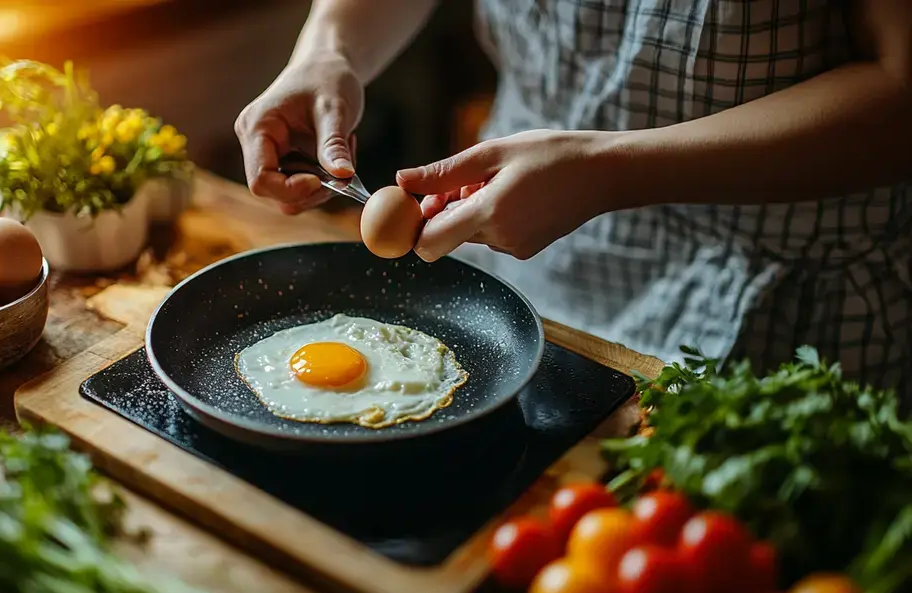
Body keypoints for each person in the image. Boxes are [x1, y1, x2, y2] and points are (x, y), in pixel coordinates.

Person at [234, 0, 912, 396]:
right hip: (520, 268)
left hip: (779, 321)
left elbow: (901, 94)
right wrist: (327, 49)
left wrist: (606, 172)